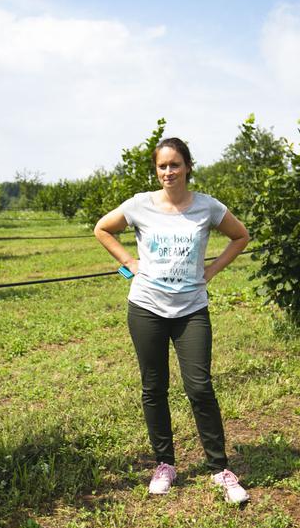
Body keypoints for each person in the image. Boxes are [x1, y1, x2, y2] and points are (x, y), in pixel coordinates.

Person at [94, 137, 251, 503]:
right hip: (146, 307)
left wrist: (209, 272)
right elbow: (103, 228)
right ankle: (165, 464)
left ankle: (220, 468)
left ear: (188, 166)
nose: (168, 172)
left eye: (175, 164)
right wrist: (129, 263)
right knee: (154, 387)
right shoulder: (139, 205)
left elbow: (240, 236)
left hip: (191, 309)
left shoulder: (207, 207)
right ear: (156, 170)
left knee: (199, 386)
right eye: (162, 166)